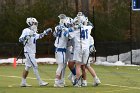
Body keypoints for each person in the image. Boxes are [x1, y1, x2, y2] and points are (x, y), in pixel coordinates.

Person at [19, 17, 52, 87]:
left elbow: (39, 36)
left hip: (32, 52)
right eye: (34, 23)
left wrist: (45, 32)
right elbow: (20, 39)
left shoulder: (33, 31)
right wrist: (26, 37)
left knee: (27, 67)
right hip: (28, 52)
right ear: (30, 23)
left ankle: (23, 82)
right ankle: (40, 82)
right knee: (35, 66)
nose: (36, 25)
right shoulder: (26, 30)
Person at [53, 14, 74, 87]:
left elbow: (54, 34)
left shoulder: (58, 27)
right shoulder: (64, 29)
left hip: (58, 48)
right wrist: (69, 31)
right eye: (69, 24)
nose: (70, 25)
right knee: (61, 65)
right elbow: (69, 35)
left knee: (61, 65)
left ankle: (60, 81)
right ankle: (56, 82)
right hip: (60, 49)